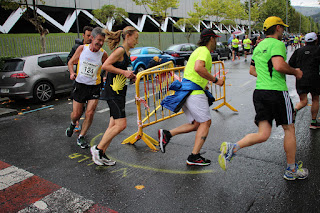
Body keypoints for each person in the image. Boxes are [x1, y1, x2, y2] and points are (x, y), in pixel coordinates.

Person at [218, 16, 309, 180]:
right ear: (278, 28)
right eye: (282, 28)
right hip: (277, 92)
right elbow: (279, 65)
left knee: (263, 133)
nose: (283, 31)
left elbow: (252, 71)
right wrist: (296, 72)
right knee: (289, 128)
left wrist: (267, 77)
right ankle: (291, 170)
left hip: (260, 92)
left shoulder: (259, 46)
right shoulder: (278, 44)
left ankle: (233, 148)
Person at [158, 28, 224, 166]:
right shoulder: (204, 51)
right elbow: (199, 68)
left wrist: (203, 84)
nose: (216, 42)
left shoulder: (197, 51)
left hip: (187, 92)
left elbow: (193, 72)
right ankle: (194, 156)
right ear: (211, 38)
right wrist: (215, 80)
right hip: (193, 93)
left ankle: (167, 134)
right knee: (206, 123)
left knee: (197, 124)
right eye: (216, 39)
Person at [90, 26, 138, 166]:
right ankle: (98, 149)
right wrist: (124, 73)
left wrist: (130, 76)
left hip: (119, 92)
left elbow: (121, 70)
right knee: (121, 125)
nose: (137, 41)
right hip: (113, 93)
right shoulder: (120, 51)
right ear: (127, 36)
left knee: (112, 125)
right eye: (135, 38)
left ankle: (102, 153)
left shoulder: (127, 53)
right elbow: (105, 65)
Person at [66, 27, 108, 149]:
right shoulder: (82, 49)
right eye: (98, 40)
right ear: (92, 38)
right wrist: (71, 73)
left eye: (102, 41)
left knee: (90, 113)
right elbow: (71, 62)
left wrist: (105, 77)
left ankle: (81, 136)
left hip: (94, 87)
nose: (100, 43)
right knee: (77, 114)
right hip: (80, 86)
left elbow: (107, 66)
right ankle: (73, 123)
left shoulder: (103, 54)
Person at [289, 32, 320, 129]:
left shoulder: (298, 51)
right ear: (316, 40)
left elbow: (291, 63)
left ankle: (295, 110)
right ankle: (314, 122)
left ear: (305, 41)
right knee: (315, 99)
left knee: (303, 101)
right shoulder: (318, 50)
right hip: (315, 77)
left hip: (301, 78)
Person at [67, 26, 93, 132]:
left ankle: (82, 132)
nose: (90, 38)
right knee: (78, 109)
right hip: (79, 81)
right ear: (83, 36)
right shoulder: (78, 47)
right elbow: (69, 60)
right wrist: (73, 72)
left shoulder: (95, 48)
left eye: (92, 36)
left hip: (91, 83)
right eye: (88, 36)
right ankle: (75, 123)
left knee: (89, 110)